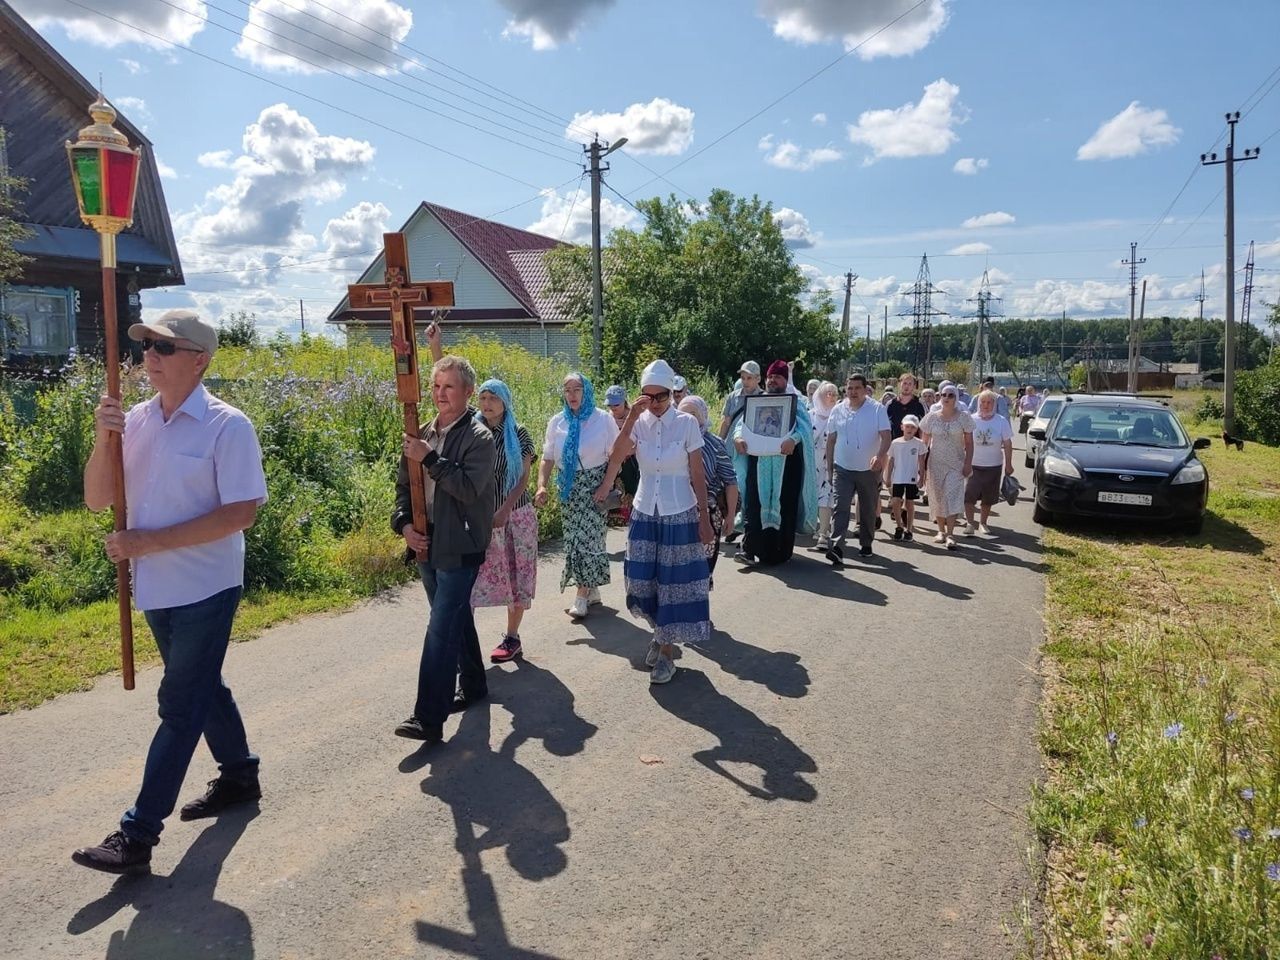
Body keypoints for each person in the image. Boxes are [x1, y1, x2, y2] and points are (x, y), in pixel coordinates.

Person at [74, 309, 268, 874]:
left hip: (207, 585)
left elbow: (240, 513)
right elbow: (95, 499)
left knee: (180, 704)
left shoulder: (228, 427)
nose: (149, 357)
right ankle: (239, 774)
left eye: (164, 347)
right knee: (203, 685)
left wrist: (148, 542)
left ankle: (137, 834)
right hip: (155, 588)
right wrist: (100, 438)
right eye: (146, 347)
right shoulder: (132, 420)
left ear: (200, 360)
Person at [393, 354, 497, 743]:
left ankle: (428, 717)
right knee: (452, 617)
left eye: (449, 387)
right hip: (426, 542)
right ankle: (473, 684)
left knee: (440, 627)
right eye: (436, 386)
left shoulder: (480, 437)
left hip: (462, 544)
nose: (440, 394)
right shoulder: (421, 432)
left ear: (468, 393)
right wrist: (404, 526)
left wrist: (431, 459)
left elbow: (469, 489)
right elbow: (403, 488)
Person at [596, 360, 713, 684]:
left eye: (661, 397)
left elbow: (698, 475)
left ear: (672, 394)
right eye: (648, 397)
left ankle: (665, 652)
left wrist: (704, 519)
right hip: (645, 511)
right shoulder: (639, 423)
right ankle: (660, 633)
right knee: (642, 579)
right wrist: (632, 416)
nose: (655, 404)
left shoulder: (687, 424)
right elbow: (617, 454)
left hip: (679, 512)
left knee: (674, 584)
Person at [536, 372, 619, 619]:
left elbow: (617, 457)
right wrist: (542, 485)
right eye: (567, 390)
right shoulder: (557, 422)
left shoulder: (603, 420)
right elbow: (548, 457)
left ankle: (581, 596)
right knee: (574, 540)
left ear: (587, 391)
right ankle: (591, 589)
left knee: (589, 539)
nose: (572, 395)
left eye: (577, 389)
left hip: (596, 488)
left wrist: (607, 484)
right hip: (568, 488)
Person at [469, 379, 538, 663]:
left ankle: (512, 637)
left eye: (493, 398)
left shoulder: (518, 434)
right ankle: (465, 642)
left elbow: (523, 478)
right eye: (483, 397)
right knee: (470, 580)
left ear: (505, 402)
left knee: (516, 575)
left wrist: (506, 509)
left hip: (515, 515)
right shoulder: (471, 431)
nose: (486, 403)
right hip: (480, 517)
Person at [731, 360, 818, 566]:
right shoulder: (757, 401)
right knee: (754, 504)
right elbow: (742, 425)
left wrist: (793, 439)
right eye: (770, 376)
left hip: (785, 466)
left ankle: (779, 552)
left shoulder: (795, 403)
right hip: (759, 463)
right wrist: (737, 438)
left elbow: (805, 428)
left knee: (783, 506)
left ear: (785, 380)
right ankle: (750, 550)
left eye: (777, 377)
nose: (772, 380)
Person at [825, 374, 892, 564]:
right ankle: (837, 546)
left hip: (868, 470)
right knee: (840, 507)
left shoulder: (876, 409)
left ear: (864, 389)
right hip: (843, 468)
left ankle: (866, 542)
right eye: (850, 388)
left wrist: (879, 457)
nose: (853, 392)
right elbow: (831, 440)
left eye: (857, 388)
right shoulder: (838, 410)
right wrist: (830, 468)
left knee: (868, 508)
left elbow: (886, 436)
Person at [678, 395, 739, 585]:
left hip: (708, 513)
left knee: (702, 570)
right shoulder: (670, 443)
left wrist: (729, 517)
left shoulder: (714, 444)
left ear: (703, 416)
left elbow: (730, 481)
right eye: (683, 413)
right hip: (676, 509)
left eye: (693, 414)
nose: (688, 418)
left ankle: (698, 607)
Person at [919, 384, 974, 550]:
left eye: (951, 395)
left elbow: (970, 444)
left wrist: (968, 463)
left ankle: (951, 534)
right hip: (935, 463)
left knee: (952, 496)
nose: (947, 398)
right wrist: (920, 466)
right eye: (944, 395)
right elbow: (924, 444)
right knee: (937, 497)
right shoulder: (931, 418)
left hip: (956, 463)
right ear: (940, 397)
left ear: (956, 398)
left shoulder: (964, 417)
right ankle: (940, 531)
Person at [964, 390, 1015, 536]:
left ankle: (983, 523)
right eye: (983, 402)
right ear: (979, 403)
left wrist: (1009, 464)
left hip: (993, 465)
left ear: (994, 404)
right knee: (969, 495)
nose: (986, 405)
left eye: (989, 402)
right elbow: (964, 442)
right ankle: (969, 523)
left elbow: (1008, 444)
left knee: (989, 496)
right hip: (974, 464)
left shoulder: (1001, 421)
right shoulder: (971, 419)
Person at [885, 414, 928, 541]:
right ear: (902, 427)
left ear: (916, 429)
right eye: (907, 426)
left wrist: (922, 478)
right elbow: (891, 460)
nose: (909, 429)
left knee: (909, 503)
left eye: (913, 427)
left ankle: (909, 529)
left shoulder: (919, 444)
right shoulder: (895, 443)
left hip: (911, 478)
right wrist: (888, 477)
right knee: (896, 501)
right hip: (898, 477)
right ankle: (899, 526)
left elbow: (921, 461)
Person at [809, 381, 839, 550]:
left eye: (835, 394)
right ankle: (817, 527)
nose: (832, 397)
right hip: (813, 463)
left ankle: (823, 534)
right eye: (829, 394)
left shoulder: (839, 415)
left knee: (827, 497)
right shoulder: (810, 415)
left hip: (831, 463)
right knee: (813, 496)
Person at [605, 384, 640, 515]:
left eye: (616, 405)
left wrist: (626, 452)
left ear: (624, 402)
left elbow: (640, 442)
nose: (613, 408)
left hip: (631, 460)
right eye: (610, 405)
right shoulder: (608, 418)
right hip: (614, 459)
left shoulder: (634, 417)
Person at [718, 360, 763, 438]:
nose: (745, 381)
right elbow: (725, 423)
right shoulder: (732, 397)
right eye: (743, 378)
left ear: (758, 379)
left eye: (749, 378)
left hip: (753, 445)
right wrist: (719, 444)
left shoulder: (764, 398)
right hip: (731, 445)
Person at [886, 372, 927, 440]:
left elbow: (924, 427)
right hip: (895, 445)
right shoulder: (890, 404)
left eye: (910, 384)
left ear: (914, 386)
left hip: (914, 445)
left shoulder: (920, 404)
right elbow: (886, 427)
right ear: (899, 384)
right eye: (904, 383)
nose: (907, 386)